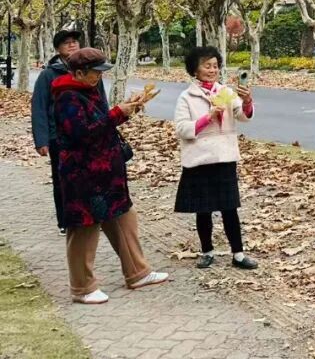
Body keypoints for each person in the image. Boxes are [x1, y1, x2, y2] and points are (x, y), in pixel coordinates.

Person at [52, 48, 169, 304]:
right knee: (84, 228)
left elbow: (102, 124)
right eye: (95, 72)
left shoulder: (89, 90)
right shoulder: (67, 97)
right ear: (79, 73)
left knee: (124, 217)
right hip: (83, 175)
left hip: (107, 172)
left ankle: (137, 272)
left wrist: (126, 111)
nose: (99, 76)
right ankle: (82, 287)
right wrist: (117, 113)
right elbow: (82, 134)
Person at [174, 46, 258, 270]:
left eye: (215, 66)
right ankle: (207, 251)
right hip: (199, 160)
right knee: (203, 210)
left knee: (230, 208)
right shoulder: (186, 97)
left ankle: (238, 254)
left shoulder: (226, 92)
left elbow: (243, 116)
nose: (212, 70)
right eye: (207, 66)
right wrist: (207, 117)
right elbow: (182, 129)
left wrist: (247, 101)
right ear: (195, 70)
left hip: (224, 158)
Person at [31, 29, 106, 234]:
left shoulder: (92, 72)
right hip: (60, 137)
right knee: (63, 180)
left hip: (89, 133)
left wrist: (107, 127)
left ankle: (93, 215)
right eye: (67, 43)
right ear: (58, 49)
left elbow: (101, 102)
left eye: (75, 42)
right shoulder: (48, 75)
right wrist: (42, 140)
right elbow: (39, 107)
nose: (72, 45)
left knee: (92, 176)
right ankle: (65, 220)